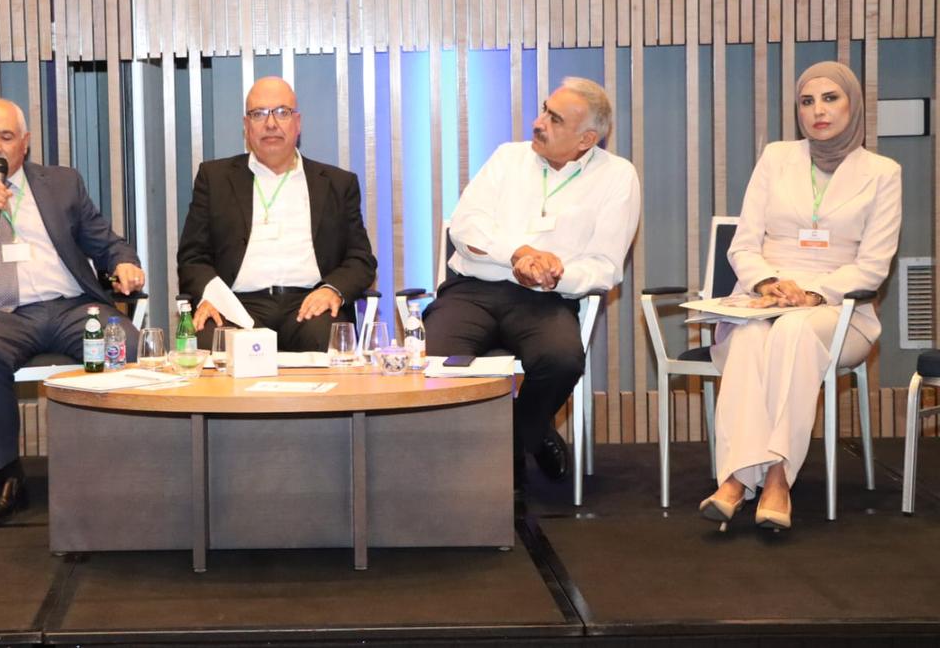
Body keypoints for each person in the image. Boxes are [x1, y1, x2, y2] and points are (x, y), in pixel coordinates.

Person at [0, 98, 145, 527]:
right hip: (0, 315)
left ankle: (127, 468)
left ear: (24, 143)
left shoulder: (62, 183)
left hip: (74, 307)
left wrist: (124, 263)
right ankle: (8, 476)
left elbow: (106, 241)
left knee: (130, 348)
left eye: (6, 137)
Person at [699, 61, 901, 531]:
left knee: (792, 331)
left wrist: (813, 294)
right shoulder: (776, 158)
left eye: (831, 98)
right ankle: (736, 478)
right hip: (766, 300)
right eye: (807, 102)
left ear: (854, 105)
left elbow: (874, 266)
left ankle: (775, 478)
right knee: (750, 338)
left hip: (842, 309)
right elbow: (743, 246)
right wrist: (767, 283)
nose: (818, 111)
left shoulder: (883, 173)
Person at [423, 77, 640, 485]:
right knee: (434, 365)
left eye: (555, 120)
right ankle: (532, 434)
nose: (538, 123)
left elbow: (606, 265)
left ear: (586, 139)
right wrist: (519, 254)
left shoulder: (617, 177)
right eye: (544, 110)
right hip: (473, 291)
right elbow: (465, 226)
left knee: (562, 361)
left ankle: (512, 444)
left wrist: (555, 272)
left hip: (546, 299)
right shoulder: (508, 158)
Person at [176, 77, 377, 351]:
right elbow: (192, 257)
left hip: (309, 305)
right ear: (246, 126)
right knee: (211, 343)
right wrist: (211, 295)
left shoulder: (337, 184)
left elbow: (360, 259)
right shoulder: (215, 178)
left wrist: (332, 290)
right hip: (236, 305)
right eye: (258, 114)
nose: (271, 123)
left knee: (331, 342)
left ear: (298, 122)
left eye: (282, 112)